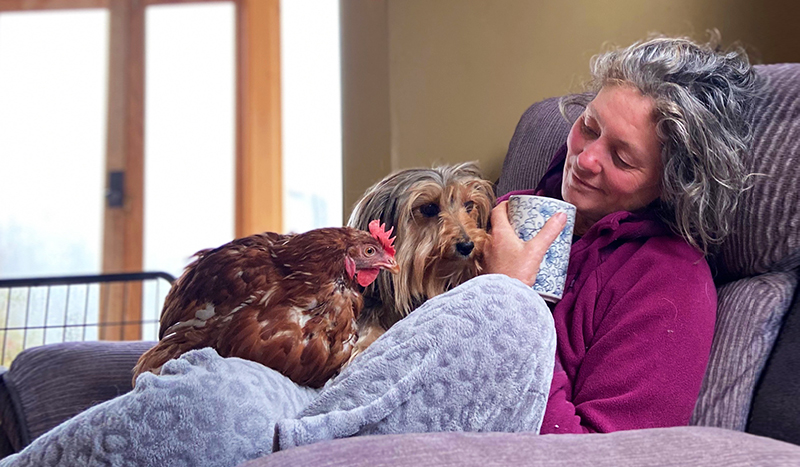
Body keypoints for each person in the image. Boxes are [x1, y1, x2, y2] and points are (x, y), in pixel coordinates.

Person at [0, 34, 761, 466]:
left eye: (620, 156)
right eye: (587, 126)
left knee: (510, 319)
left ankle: (293, 437)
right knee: (214, 392)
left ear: (673, 185)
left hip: (481, 430)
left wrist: (516, 294)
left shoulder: (670, 283)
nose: (585, 157)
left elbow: (614, 455)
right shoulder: (509, 208)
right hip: (352, 394)